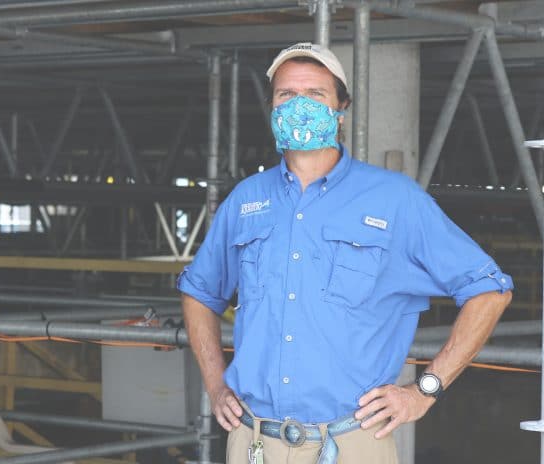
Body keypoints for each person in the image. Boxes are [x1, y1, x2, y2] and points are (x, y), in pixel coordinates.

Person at [177, 42, 514, 464]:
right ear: (272, 107)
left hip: (350, 445)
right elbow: (199, 291)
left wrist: (425, 390)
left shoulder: (395, 200)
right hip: (253, 442)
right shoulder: (247, 201)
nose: (299, 106)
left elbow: (489, 290)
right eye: (286, 95)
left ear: (341, 108)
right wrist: (215, 384)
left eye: (315, 95)